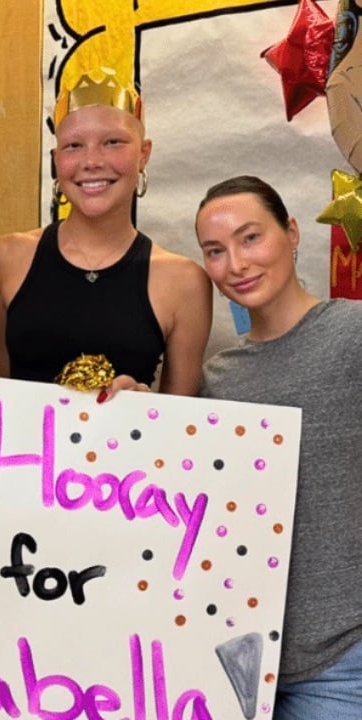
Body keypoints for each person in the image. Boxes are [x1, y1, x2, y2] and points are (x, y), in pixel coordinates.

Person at [196, 175, 362, 719]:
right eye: (215, 251)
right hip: (238, 663)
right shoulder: (219, 378)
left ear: (291, 232)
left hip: (344, 658)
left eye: (250, 238)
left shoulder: (354, 334)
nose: (236, 265)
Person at [0, 71, 212, 398]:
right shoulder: (8, 256)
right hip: (24, 450)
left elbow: (179, 422)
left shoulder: (185, 282)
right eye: (74, 146)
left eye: (113, 142)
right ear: (56, 159)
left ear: (143, 154)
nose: (91, 161)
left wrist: (146, 408)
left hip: (126, 450)